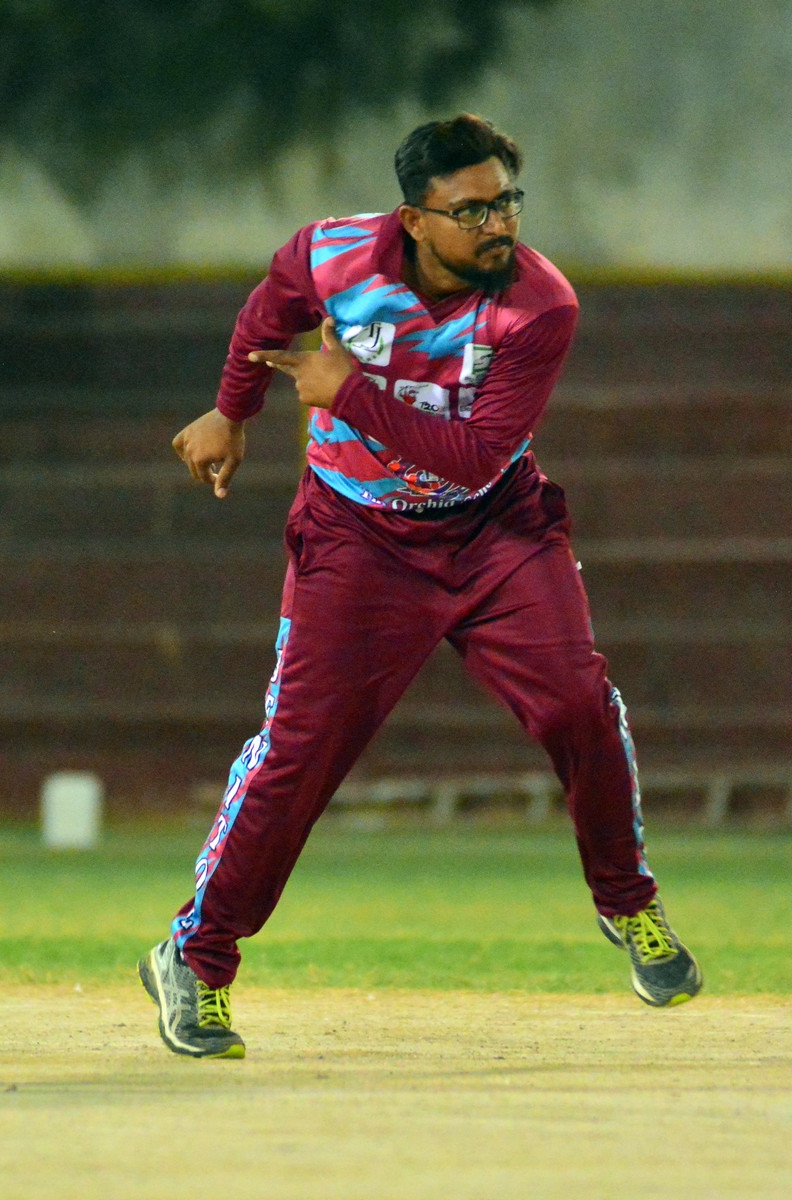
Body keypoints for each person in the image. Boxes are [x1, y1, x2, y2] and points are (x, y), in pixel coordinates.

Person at [138, 114, 701, 1059]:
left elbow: (475, 459)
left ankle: (627, 902)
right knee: (301, 751)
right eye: (470, 209)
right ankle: (194, 958)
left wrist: (348, 392)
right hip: (356, 534)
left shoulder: (540, 304)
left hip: (494, 527)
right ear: (413, 219)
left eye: (507, 202)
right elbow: (268, 312)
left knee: (576, 702)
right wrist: (232, 412)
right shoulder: (331, 255)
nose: (498, 224)